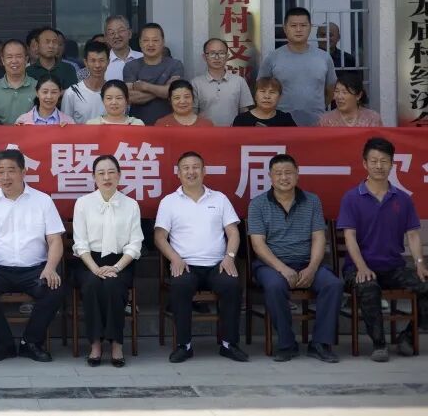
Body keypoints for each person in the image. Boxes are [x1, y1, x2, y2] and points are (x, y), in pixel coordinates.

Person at [337, 137, 428, 362]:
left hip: (393, 266)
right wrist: (361, 267)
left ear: (392, 164)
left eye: (384, 161)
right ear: (365, 163)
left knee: (426, 285)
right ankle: (379, 344)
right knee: (368, 287)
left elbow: (413, 235)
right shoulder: (352, 197)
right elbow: (349, 237)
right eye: (374, 161)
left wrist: (419, 264)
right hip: (357, 268)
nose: (379, 166)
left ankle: (408, 337)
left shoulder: (402, 199)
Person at [0, 149, 66, 362]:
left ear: (24, 172)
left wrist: (50, 268)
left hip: (35, 269)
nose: (5, 177)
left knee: (54, 289)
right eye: (0, 171)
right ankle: (4, 343)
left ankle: (30, 343)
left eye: (11, 171)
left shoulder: (42, 201)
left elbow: (55, 240)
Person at [247, 154, 342, 363]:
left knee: (333, 284)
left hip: (307, 262)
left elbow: (319, 238)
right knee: (274, 286)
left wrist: (312, 268)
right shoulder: (258, 204)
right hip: (271, 265)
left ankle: (320, 344)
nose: (284, 177)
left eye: (288, 172)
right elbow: (258, 245)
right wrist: (282, 268)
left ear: (297, 175)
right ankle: (287, 344)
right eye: (278, 173)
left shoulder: (312, 201)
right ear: (270, 177)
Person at [154, 151, 248, 363]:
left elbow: (233, 232)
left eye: (196, 167)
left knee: (231, 285)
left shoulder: (219, 199)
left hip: (217, 264)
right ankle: (184, 345)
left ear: (204, 171)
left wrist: (229, 257)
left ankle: (229, 344)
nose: (191, 172)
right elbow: (160, 237)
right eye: (186, 168)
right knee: (180, 285)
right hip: (185, 264)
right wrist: (174, 258)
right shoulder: (169, 202)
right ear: (178, 173)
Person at [72, 155, 143, 368]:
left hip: (121, 261)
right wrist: (95, 269)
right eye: (101, 173)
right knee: (92, 284)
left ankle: (116, 344)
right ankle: (95, 344)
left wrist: (116, 267)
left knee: (113, 285)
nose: (106, 177)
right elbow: (80, 243)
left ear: (119, 175)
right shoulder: (83, 203)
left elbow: (135, 243)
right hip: (89, 261)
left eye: (111, 172)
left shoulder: (131, 205)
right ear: (94, 177)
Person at [257, 7, 337, 126]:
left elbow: (330, 90)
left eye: (303, 25)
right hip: (279, 124)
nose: (298, 29)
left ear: (310, 27)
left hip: (317, 124)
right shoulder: (272, 58)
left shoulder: (324, 57)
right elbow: (261, 89)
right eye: (293, 26)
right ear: (285, 28)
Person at [122, 23, 184, 126]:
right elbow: (131, 97)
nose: (150, 44)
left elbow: (174, 93)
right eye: (146, 40)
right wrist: (164, 90)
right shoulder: (130, 66)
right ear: (140, 43)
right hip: (138, 126)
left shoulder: (175, 65)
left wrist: (144, 86)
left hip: (169, 125)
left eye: (155, 40)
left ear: (163, 42)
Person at [190, 38, 253, 127]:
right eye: (212, 53)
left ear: (227, 56)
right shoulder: (195, 83)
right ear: (204, 57)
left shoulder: (239, 81)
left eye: (221, 53)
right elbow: (192, 114)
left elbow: (245, 113)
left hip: (233, 133)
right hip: (205, 133)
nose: (217, 57)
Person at [0, 39, 37, 124]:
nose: (14, 61)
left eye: (19, 56)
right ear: (3, 60)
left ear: (26, 59)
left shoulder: (38, 87)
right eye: (9, 57)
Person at [62, 40, 109, 124]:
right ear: (85, 62)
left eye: (101, 60)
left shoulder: (114, 92)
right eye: (93, 61)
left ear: (108, 62)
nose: (97, 65)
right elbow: (65, 125)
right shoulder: (72, 93)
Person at [317, 73, 383, 127]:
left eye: (344, 92)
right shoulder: (325, 120)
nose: (339, 97)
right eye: (337, 91)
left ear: (358, 96)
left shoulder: (372, 119)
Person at [232, 77, 297, 127]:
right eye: (262, 91)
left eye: (272, 92)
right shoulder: (241, 120)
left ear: (279, 97)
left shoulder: (286, 119)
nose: (267, 96)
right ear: (255, 96)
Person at [102, 15, 143, 81]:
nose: (116, 36)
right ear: (106, 38)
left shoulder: (143, 58)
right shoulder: (101, 64)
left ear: (129, 33)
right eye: (112, 33)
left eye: (120, 31)